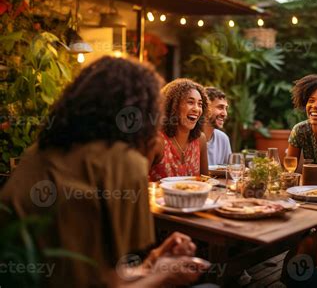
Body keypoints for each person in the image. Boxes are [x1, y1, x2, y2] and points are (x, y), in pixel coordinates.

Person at [0, 57, 207, 287]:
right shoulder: (122, 163)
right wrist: (168, 274)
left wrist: (154, 260)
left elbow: (102, 275)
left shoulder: (37, 153)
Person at [149, 78, 209, 180]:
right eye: (190, 102)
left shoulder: (200, 140)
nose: (196, 109)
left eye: (200, 104)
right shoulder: (157, 141)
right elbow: (136, 183)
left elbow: (205, 181)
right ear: (173, 106)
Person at [203, 87, 232, 165]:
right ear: (205, 108)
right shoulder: (189, 137)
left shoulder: (223, 139)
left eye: (226, 109)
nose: (225, 114)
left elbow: (229, 171)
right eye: (220, 107)